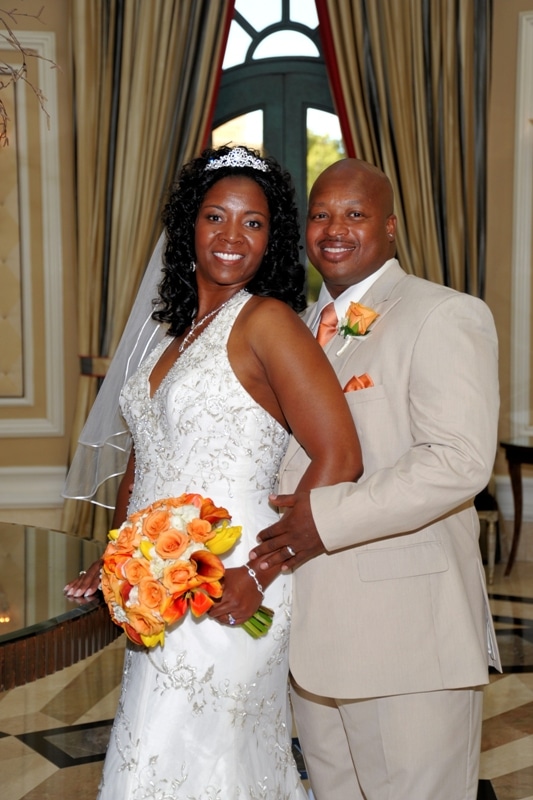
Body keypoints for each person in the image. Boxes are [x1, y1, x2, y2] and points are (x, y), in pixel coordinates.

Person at [64, 145, 362, 798]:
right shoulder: (176, 336)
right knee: (150, 755)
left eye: (253, 222)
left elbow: (340, 455)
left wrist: (259, 572)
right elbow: (146, 459)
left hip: (235, 580)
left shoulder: (268, 322)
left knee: (209, 761)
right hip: (156, 584)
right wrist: (115, 559)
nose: (232, 235)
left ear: (271, 238)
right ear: (188, 226)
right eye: (216, 217)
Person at [250, 158, 501, 800]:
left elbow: (458, 460)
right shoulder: (296, 327)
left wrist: (324, 519)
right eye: (321, 214)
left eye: (355, 214)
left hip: (406, 638)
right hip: (312, 641)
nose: (334, 229)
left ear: (390, 227)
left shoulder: (443, 314)